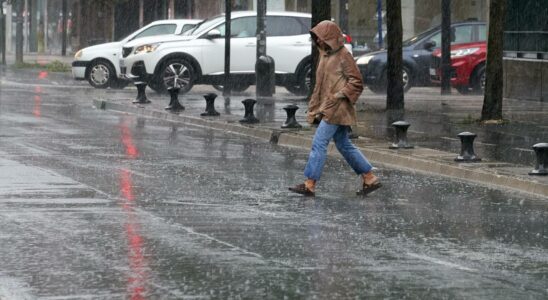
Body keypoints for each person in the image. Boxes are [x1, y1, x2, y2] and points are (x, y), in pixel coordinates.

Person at [289, 20, 381, 197]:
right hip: (328, 106)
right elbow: (320, 85)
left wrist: (339, 95)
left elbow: (357, 81)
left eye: (320, 37)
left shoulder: (343, 55)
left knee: (319, 143)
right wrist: (315, 106)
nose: (318, 41)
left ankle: (310, 184)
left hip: (337, 108)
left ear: (329, 37)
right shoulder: (325, 55)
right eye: (316, 38)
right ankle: (369, 177)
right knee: (344, 144)